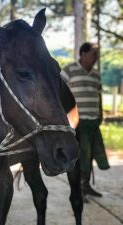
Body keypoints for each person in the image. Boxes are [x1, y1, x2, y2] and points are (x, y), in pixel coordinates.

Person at [61, 42, 110, 202]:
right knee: (81, 155)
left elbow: (99, 95)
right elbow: (59, 92)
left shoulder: (96, 74)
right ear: (82, 54)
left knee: (91, 156)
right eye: (93, 54)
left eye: (97, 55)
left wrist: (100, 114)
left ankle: (86, 186)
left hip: (93, 122)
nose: (96, 58)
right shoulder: (69, 70)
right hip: (77, 123)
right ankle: (79, 189)